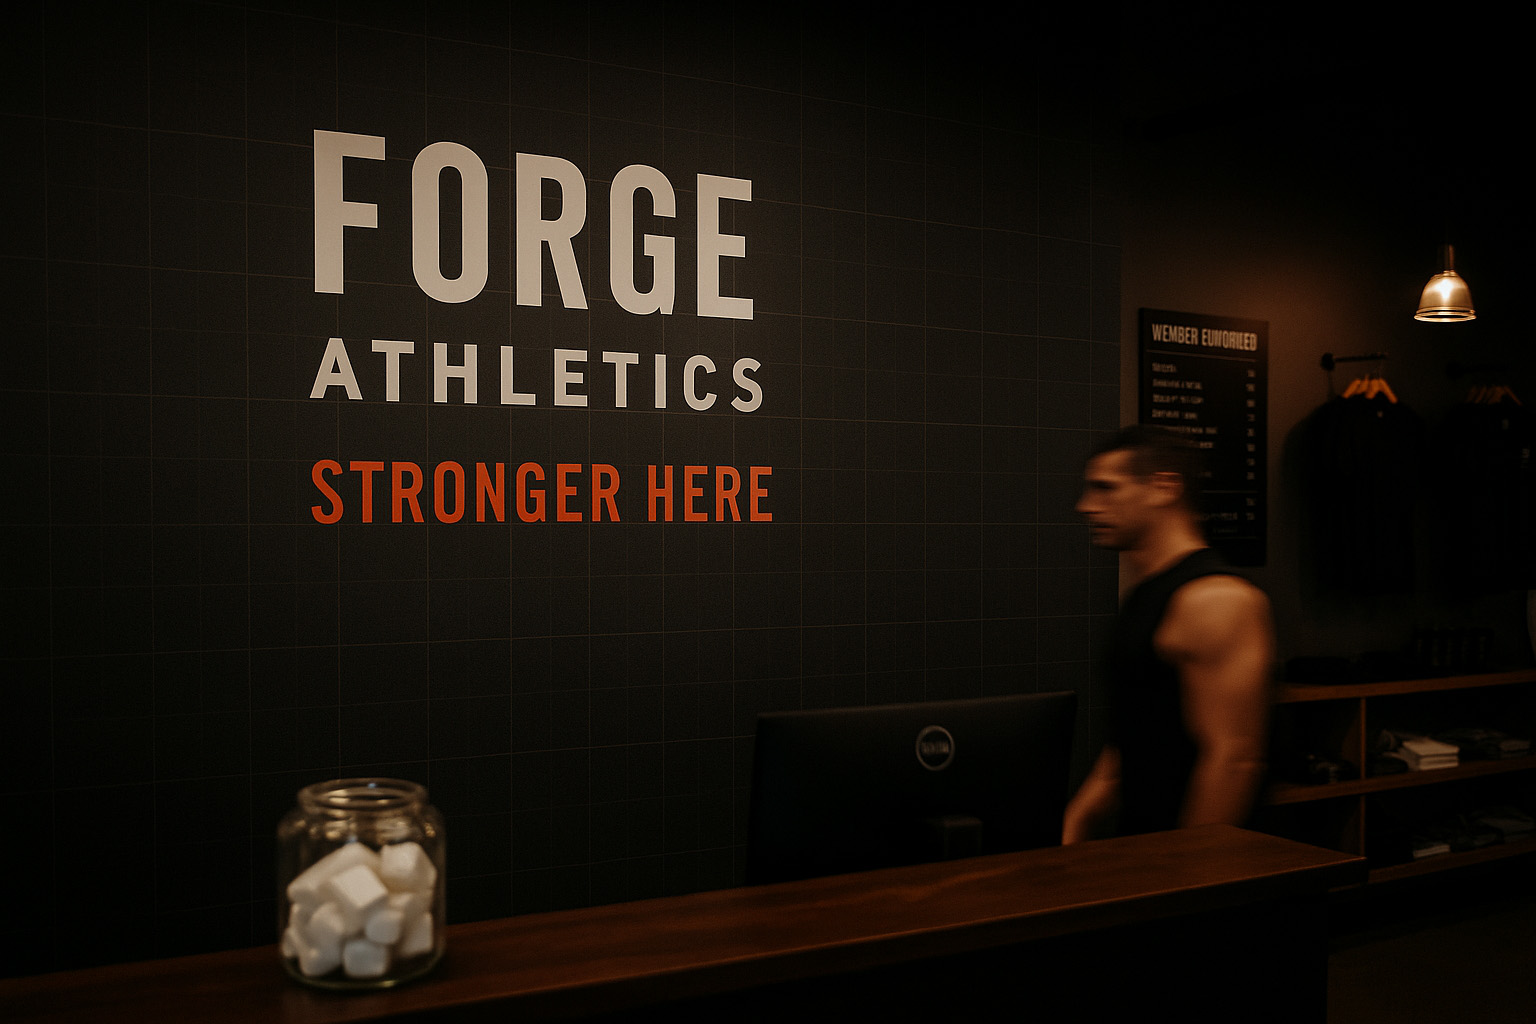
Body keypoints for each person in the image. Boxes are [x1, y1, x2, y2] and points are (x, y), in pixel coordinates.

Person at [1062, 425, 1275, 843]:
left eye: (1105, 488)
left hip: (1196, 859)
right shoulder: (1146, 594)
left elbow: (1234, 759)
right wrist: (1077, 822)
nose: (1085, 506)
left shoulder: (1214, 598)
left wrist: (1187, 869)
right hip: (1143, 846)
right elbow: (1134, 729)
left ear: (1164, 487)